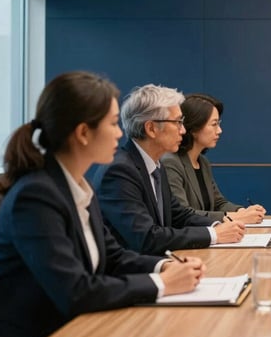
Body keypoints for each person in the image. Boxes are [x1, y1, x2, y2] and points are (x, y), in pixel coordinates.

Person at [0, 72, 204, 337]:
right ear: (83, 133)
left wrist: (165, 266)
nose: (120, 133)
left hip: (75, 331)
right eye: (112, 123)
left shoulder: (77, 186)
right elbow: (75, 291)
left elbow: (114, 257)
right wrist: (163, 284)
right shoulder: (36, 196)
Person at [94, 84, 245, 255]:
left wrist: (218, 225)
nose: (183, 130)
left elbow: (179, 215)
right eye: (178, 122)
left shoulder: (155, 165)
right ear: (151, 128)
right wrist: (213, 234)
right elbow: (146, 238)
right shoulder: (120, 171)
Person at [162, 93, 266, 224]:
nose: (220, 131)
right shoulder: (170, 162)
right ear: (194, 127)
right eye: (214, 124)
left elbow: (218, 203)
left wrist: (242, 211)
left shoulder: (202, 162)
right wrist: (232, 217)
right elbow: (183, 214)